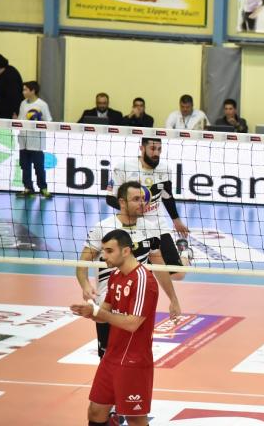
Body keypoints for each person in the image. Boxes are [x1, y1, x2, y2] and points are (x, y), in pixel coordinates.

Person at [77, 181, 181, 358]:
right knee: (107, 357)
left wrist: (173, 299)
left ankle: (184, 254)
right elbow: (83, 263)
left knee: (135, 356)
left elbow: (159, 267)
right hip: (108, 303)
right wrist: (85, 285)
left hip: (137, 304)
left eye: (143, 199)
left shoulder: (150, 228)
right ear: (122, 202)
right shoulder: (103, 228)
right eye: (136, 199)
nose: (142, 203)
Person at [70, 229, 159, 425]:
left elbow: (132, 323)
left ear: (126, 251)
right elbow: (104, 314)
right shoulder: (116, 275)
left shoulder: (144, 280)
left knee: (135, 419)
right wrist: (91, 313)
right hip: (112, 356)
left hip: (133, 361)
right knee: (96, 411)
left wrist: (99, 313)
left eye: (109, 251)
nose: (104, 256)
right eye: (103, 250)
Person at [107, 137, 192, 281]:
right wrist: (132, 208)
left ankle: (185, 253)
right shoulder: (123, 168)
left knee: (178, 275)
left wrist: (176, 220)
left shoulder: (165, 169)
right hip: (131, 227)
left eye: (159, 149)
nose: (156, 153)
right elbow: (110, 198)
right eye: (152, 149)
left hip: (157, 226)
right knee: (132, 273)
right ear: (142, 148)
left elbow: (167, 197)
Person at [17, 81, 53, 198]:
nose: (23, 92)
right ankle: (28, 188)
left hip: (36, 141)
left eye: (25, 89)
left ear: (32, 91)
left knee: (39, 167)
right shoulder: (23, 103)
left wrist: (38, 121)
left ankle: (43, 189)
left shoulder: (42, 104)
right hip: (23, 140)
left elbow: (49, 121)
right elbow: (20, 120)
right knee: (25, 166)